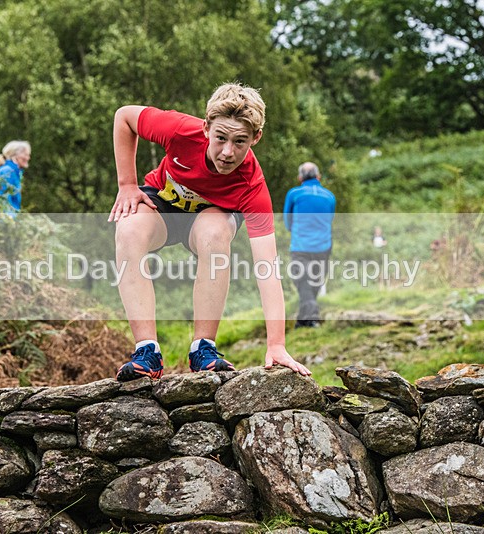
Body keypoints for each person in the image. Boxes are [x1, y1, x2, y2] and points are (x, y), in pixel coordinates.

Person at [109, 83, 311, 381]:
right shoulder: (180, 130)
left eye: (239, 142)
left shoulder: (252, 187)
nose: (228, 152)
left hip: (208, 221)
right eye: (220, 138)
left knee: (214, 231)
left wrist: (276, 344)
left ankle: (203, 348)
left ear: (256, 138)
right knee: (127, 229)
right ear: (206, 129)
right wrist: (127, 184)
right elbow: (124, 117)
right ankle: (147, 351)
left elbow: (267, 267)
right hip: (161, 206)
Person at [283, 162, 336, 328]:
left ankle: (311, 317)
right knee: (315, 281)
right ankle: (304, 319)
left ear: (300, 178)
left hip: (300, 245)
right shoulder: (329, 196)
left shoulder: (294, 194)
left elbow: (287, 220)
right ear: (318, 177)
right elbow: (331, 218)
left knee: (302, 280)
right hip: (324, 245)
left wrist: (295, 230)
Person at [0, 141, 31, 216]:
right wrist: (10, 220)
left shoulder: (15, 173)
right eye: (25, 155)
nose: (28, 158)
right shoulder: (7, 171)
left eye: (28, 155)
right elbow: (2, 198)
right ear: (14, 155)